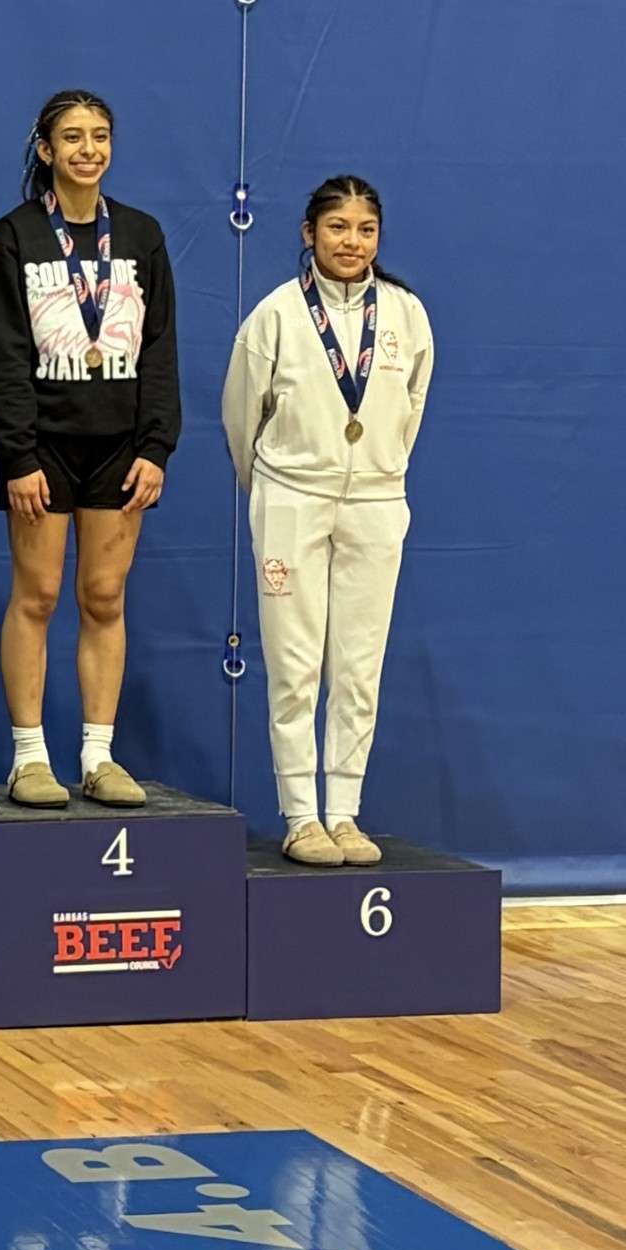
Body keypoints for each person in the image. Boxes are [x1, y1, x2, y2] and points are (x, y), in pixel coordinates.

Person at [223, 176, 433, 865]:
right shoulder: (277, 315)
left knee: (358, 664)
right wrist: (280, 490)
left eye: (365, 229)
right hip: (291, 496)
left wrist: (377, 471)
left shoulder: (405, 314)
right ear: (309, 233)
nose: (352, 242)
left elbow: (411, 408)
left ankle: (344, 810)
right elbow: (239, 418)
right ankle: (300, 815)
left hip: (376, 499)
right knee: (294, 664)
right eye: (337, 227)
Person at [0, 89, 180, 807]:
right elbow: (2, 351)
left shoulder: (142, 235)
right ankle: (29, 756)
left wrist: (156, 446)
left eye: (100, 135)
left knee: (103, 595)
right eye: (72, 137)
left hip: (120, 446)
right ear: (45, 150)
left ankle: (98, 754)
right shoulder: (16, 236)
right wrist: (17, 453)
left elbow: (159, 351)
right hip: (44, 448)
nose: (88, 149)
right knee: (36, 594)